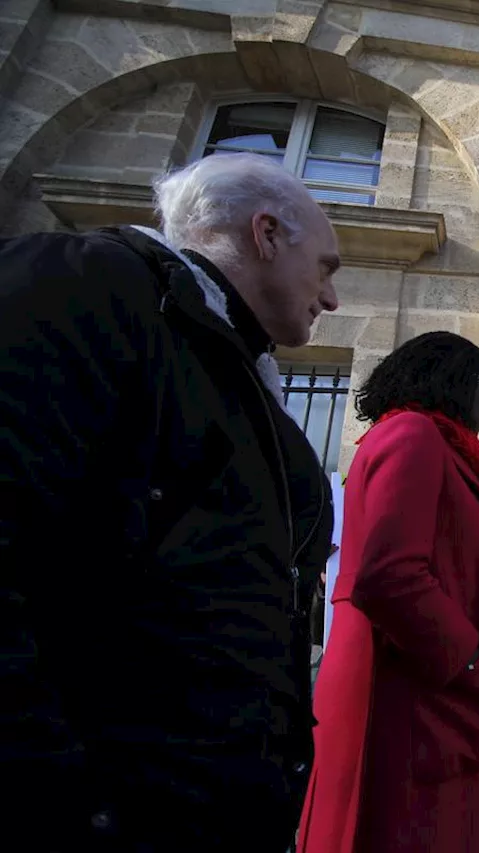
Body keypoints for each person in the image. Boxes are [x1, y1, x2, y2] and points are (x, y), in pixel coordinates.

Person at [0, 152, 340, 851]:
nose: (331, 297)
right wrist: (63, 804)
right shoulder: (81, 285)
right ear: (266, 233)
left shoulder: (240, 368)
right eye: (327, 266)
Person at [298, 331, 479, 853]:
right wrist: (470, 661)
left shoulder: (434, 442)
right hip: (409, 688)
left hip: (426, 684)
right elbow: (392, 574)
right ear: (453, 380)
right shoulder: (413, 435)